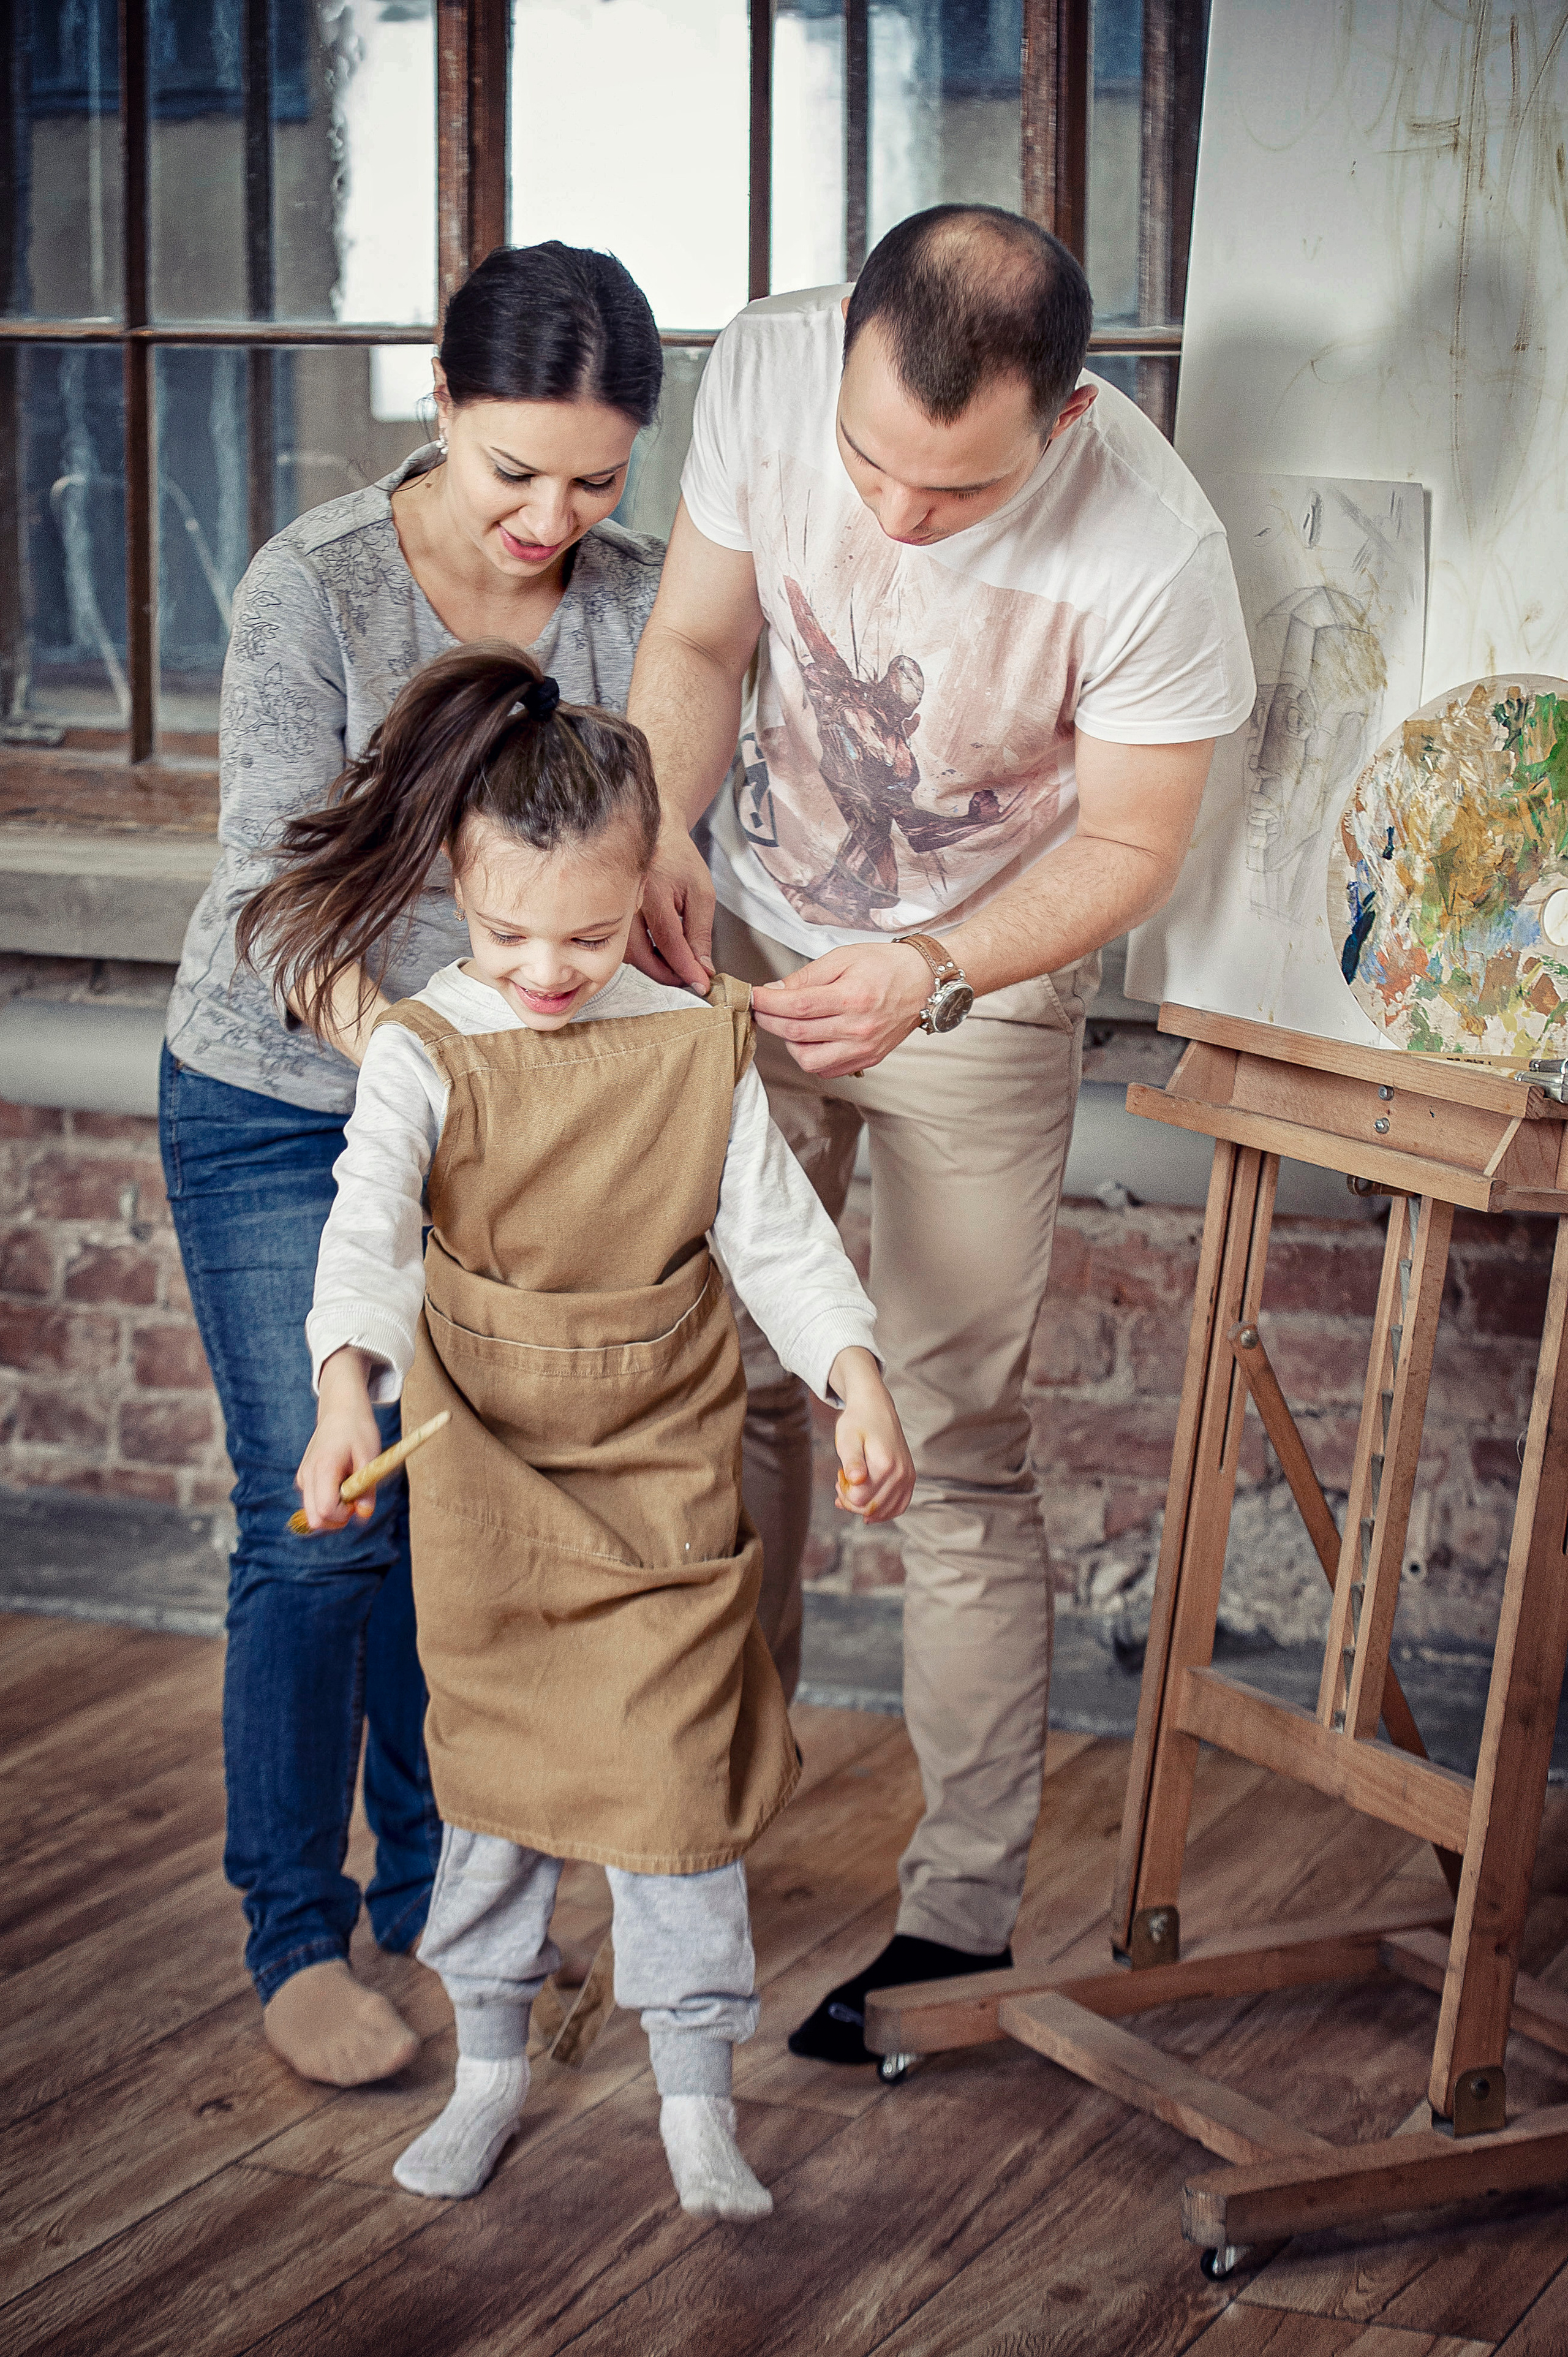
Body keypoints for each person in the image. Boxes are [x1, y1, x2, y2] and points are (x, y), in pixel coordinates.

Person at [624, 204, 1254, 2060]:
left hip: (977, 991)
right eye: (868, 464)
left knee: (957, 1445)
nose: (894, 518)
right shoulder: (763, 362)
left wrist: (929, 967)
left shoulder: (1154, 543)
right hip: (739, 941)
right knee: (736, 1386)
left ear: (1060, 427)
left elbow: (1134, 848)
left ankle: (957, 1925)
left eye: (953, 492)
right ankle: (708, 1828)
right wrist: (661, 819)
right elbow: (698, 636)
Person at [243, 642, 914, 2215]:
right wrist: (347, 1386)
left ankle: (696, 2097)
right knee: (494, 1789)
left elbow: (777, 1238)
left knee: (674, 1792)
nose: (546, 968)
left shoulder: (694, 1044)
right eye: (503, 932)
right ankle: (491, 2065)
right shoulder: (423, 1050)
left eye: (591, 931)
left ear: (648, 891)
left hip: (663, 1478)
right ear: (460, 893)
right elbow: (365, 1230)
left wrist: (854, 1372)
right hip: (486, 1470)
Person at [159, 242, 669, 2087]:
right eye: (513, 467)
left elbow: (637, 879)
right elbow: (270, 899)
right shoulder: (315, 588)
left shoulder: (632, 600)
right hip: (283, 1099)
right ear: (439, 403)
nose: (553, 516)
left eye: (597, 479)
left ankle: (440, 1910)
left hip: (497, 1129)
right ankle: (297, 1930)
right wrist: (411, 1051)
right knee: (328, 1521)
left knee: (456, 1531)